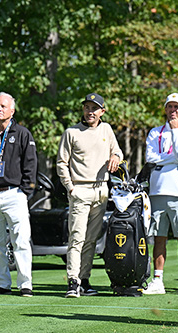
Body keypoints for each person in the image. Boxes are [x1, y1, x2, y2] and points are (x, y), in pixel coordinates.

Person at [56, 92, 122, 298]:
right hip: (80, 189)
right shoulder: (71, 132)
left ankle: (84, 279)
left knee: (91, 240)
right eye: (87, 107)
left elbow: (118, 152)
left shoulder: (106, 129)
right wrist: (70, 187)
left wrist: (115, 157)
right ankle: (73, 281)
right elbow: (61, 163)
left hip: (101, 190)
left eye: (94, 108)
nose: (90, 112)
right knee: (76, 238)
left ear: (102, 111)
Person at [142, 93, 178, 296]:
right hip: (157, 191)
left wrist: (175, 134)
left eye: (177, 107)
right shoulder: (155, 132)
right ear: (165, 109)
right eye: (170, 107)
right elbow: (151, 158)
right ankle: (157, 280)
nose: (173, 110)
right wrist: (174, 158)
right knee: (158, 237)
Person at [0, 92, 37, 297]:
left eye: (3, 106)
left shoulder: (22, 133)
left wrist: (25, 191)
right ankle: (3, 284)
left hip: (14, 193)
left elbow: (30, 163)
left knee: (21, 241)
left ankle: (25, 285)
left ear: (12, 111)